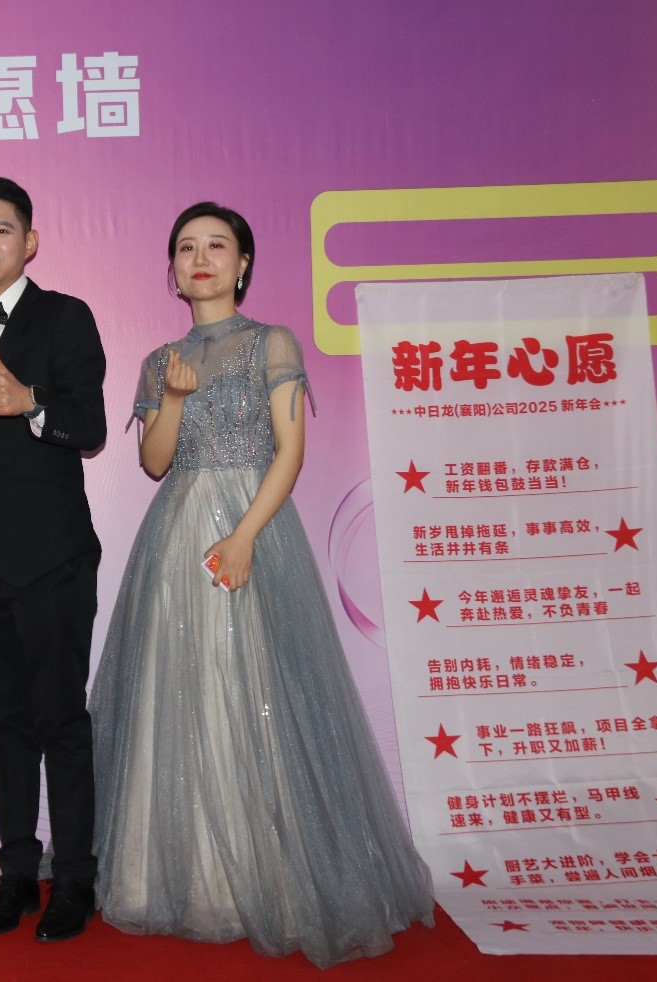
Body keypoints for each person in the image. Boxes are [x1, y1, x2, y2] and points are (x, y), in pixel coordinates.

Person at [89, 202, 434, 967]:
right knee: (179, 692)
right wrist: (173, 399)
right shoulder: (158, 360)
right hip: (176, 537)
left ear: (242, 262)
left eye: (216, 245)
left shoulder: (271, 342)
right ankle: (187, 877)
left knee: (253, 688)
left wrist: (243, 536)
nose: (200, 258)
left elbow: (290, 450)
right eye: (186, 247)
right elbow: (153, 462)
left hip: (253, 526)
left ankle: (269, 873)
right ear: (171, 269)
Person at [0, 177, 107, 943]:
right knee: (4, 722)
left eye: (1, 230)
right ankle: (15, 872)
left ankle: (74, 879)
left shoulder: (64, 316)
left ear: (28, 242)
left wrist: (32, 403)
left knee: (60, 720)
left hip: (49, 556)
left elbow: (90, 426)